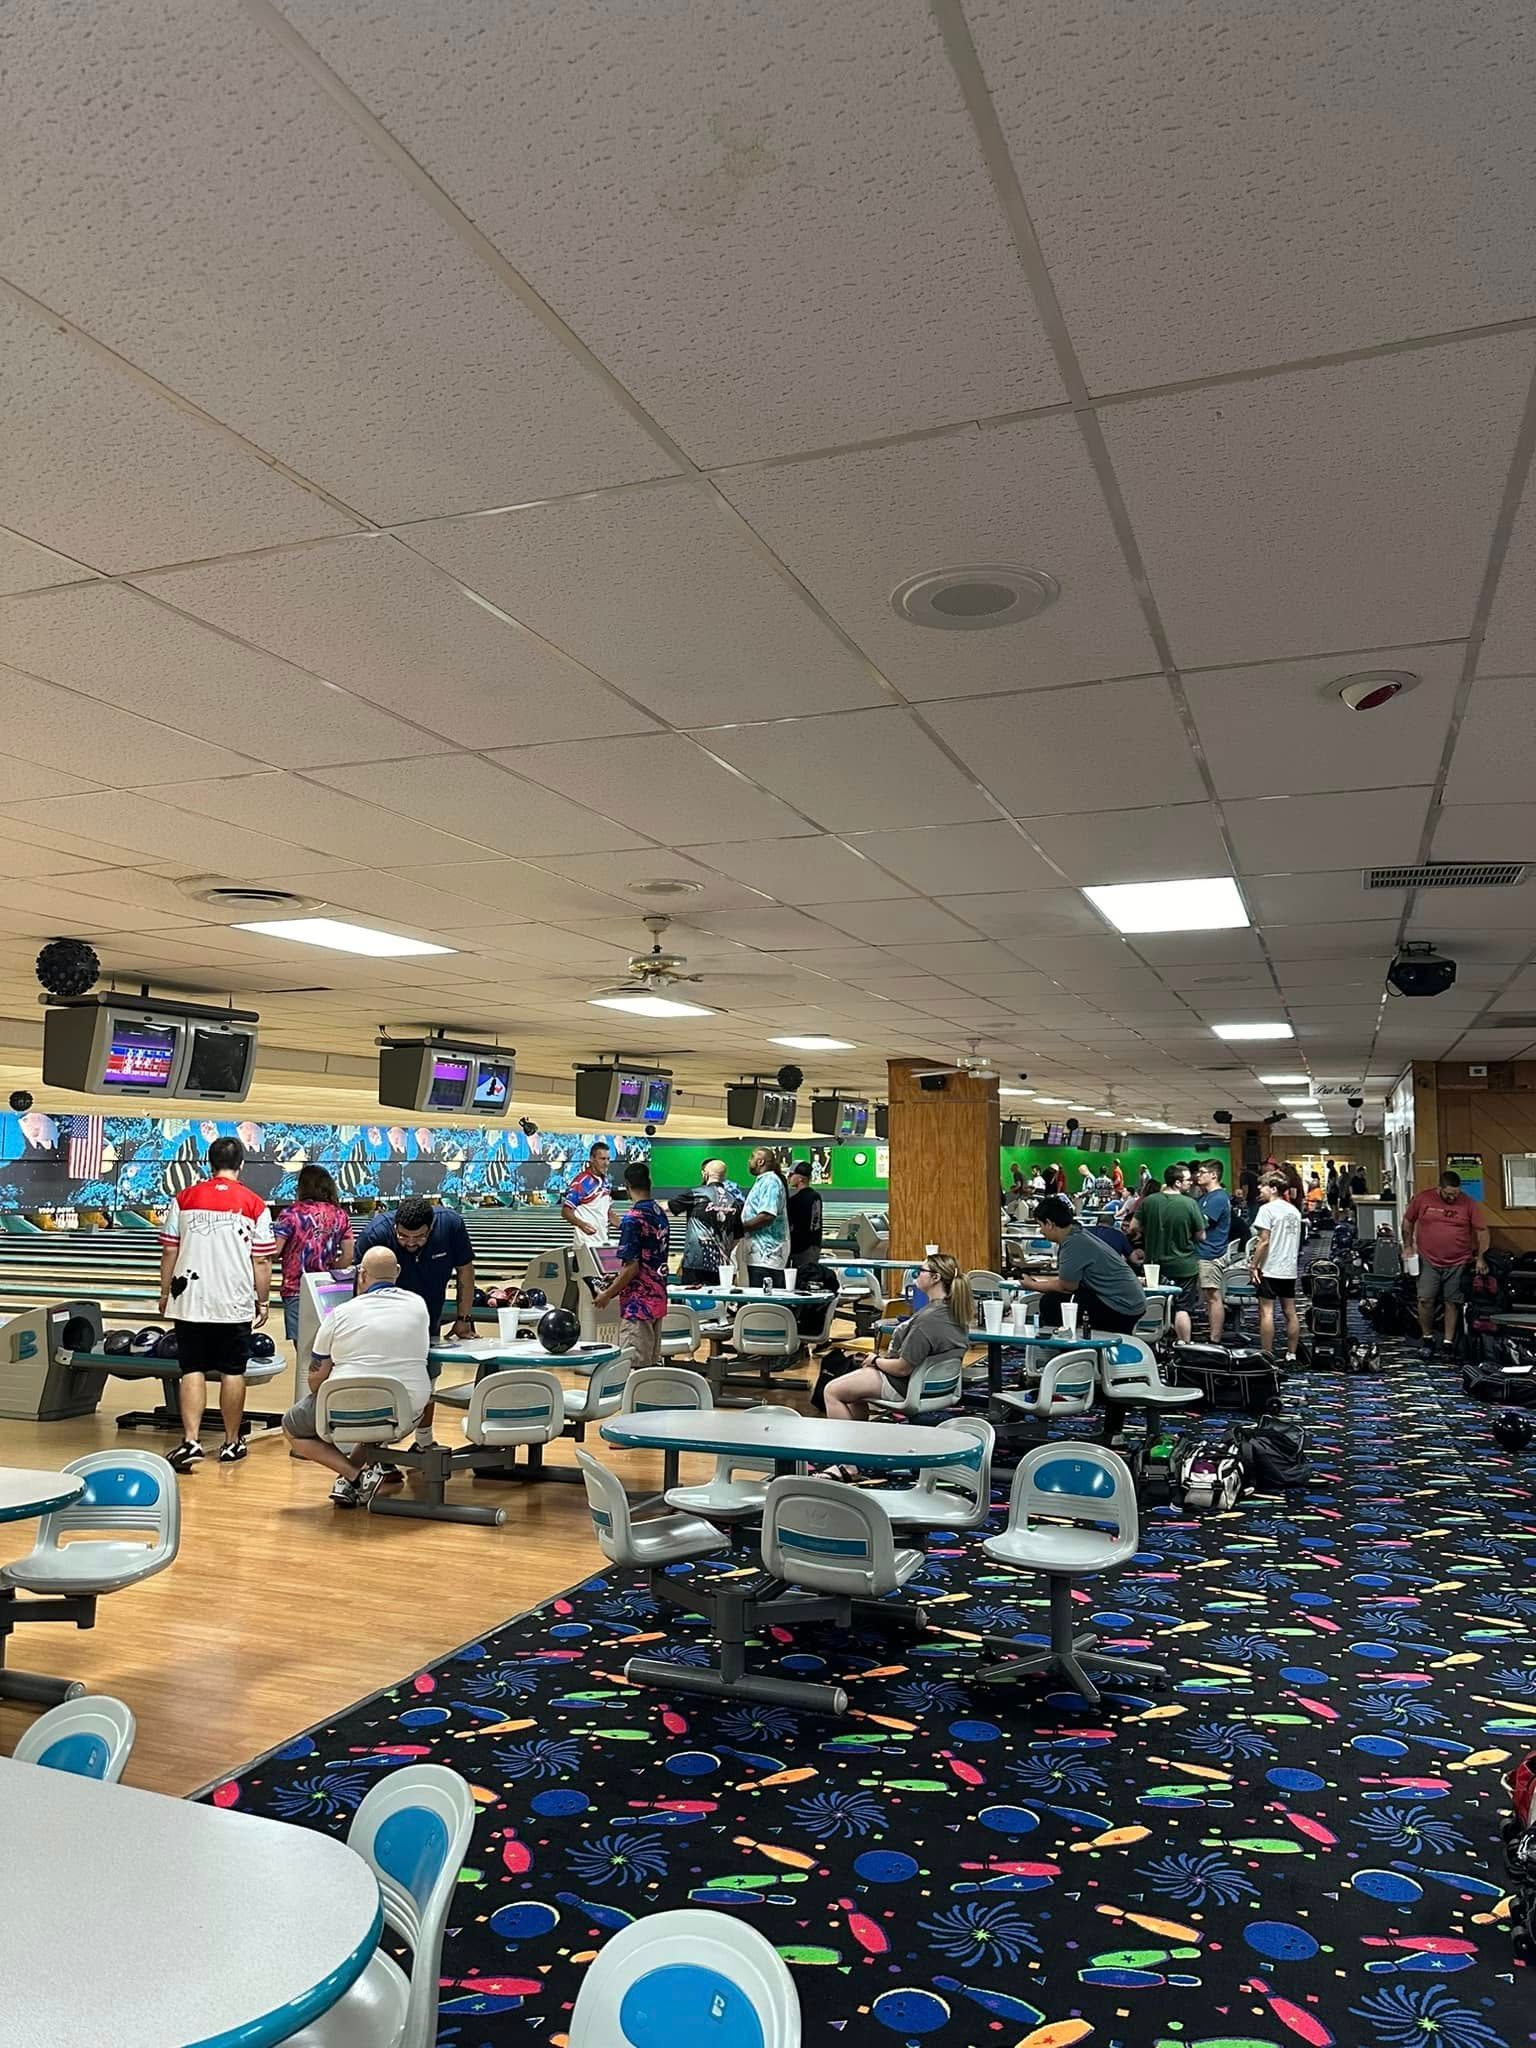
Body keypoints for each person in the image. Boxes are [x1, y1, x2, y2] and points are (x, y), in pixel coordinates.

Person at [282, 1246, 432, 1508]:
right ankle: (354, 1479)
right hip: (405, 1409)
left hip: (345, 1406)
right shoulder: (419, 1306)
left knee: (292, 1426)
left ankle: (355, 1476)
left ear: (361, 1275)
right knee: (375, 1415)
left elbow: (316, 1380)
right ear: (397, 1272)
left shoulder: (340, 1314)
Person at [158, 1135, 275, 1472]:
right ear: (241, 1165)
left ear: (209, 1163)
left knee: (191, 1368)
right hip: (234, 1299)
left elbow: (169, 1250)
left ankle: (191, 1440)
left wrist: (165, 1292)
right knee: (233, 1371)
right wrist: (263, 1300)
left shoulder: (184, 1198)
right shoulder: (255, 1204)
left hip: (189, 1299)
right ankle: (230, 1442)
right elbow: (263, 1261)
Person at [353, 1197, 475, 1449]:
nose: (410, 1242)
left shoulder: (450, 1225)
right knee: (382, 1383)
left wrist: (463, 1319)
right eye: (403, 1236)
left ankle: (423, 1442)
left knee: (427, 1381)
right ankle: (378, 1451)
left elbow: (465, 1270)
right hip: (382, 1323)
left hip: (427, 1318)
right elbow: (359, 1285)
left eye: (418, 1237)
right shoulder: (375, 1233)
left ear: (431, 1228)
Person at [823, 1254, 973, 1428]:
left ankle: (845, 1451)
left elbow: (902, 1368)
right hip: (935, 1386)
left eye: (921, 1271)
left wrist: (876, 1361)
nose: (917, 1274)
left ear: (935, 1278)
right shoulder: (957, 1313)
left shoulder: (927, 1321)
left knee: (832, 1391)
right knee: (853, 1392)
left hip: (905, 1386)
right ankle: (858, 1439)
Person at [1019, 1195, 1146, 1332]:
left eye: (1041, 1225)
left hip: (1122, 1306)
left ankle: (1064, 1348)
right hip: (1131, 1301)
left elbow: (1066, 1286)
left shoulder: (1073, 1243)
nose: (1041, 1231)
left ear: (1050, 1224)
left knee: (1051, 1303)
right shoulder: (1078, 1233)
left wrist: (1033, 1285)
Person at [1402, 1169, 1491, 1360]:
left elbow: (1482, 1230)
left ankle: (1448, 1343)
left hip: (1459, 1260)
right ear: (1439, 1188)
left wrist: (1481, 1256)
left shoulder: (1468, 1203)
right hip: (1428, 1258)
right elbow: (1408, 1221)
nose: (1452, 1197)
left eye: (1455, 1194)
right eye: (1449, 1194)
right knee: (1425, 1299)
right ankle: (1427, 1338)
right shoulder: (1423, 1199)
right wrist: (1408, 1246)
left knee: (1453, 1302)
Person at [592, 1160, 669, 1374]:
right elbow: (647, 1255)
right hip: (657, 1298)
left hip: (638, 1304)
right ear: (649, 1183)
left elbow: (631, 1268)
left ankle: (634, 1407)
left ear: (627, 1186)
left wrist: (607, 1294)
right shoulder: (659, 1212)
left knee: (633, 1368)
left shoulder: (633, 1219)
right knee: (651, 1366)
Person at [272, 1165, 354, 1344]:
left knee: (303, 1347)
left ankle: (305, 1373)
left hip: (296, 1288)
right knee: (328, 1344)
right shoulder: (340, 1215)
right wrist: (332, 1269)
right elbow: (348, 1256)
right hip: (326, 1287)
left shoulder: (290, 1214)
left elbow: (275, 1251)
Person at [1134, 1163, 1205, 1342]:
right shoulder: (1190, 1204)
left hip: (1154, 1266)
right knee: (1182, 1309)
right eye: (1188, 1180)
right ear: (1178, 1183)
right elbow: (1201, 1235)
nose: (1191, 1182)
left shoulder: (1149, 1201)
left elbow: (1134, 1227)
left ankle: (1150, 1343)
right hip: (1185, 1265)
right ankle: (1185, 1346)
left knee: (1155, 1304)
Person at [1249, 1173, 1303, 1362]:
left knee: (1267, 1312)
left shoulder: (1267, 1209)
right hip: (1289, 1268)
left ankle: (1267, 1354)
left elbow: (1264, 1241)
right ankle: (1291, 1354)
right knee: (1290, 1311)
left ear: (1273, 1188)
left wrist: (1253, 1265)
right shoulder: (1294, 1211)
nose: (1259, 1189)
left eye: (1262, 1186)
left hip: (1270, 1267)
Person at [668, 1157, 743, 1285]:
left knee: (693, 1300)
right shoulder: (734, 1201)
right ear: (724, 1177)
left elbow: (668, 1207)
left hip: (694, 1263)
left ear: (705, 1174)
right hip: (721, 1266)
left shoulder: (697, 1194)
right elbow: (737, 1237)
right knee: (717, 1302)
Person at [1194, 1158, 1232, 1344]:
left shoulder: (1217, 1197)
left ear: (1214, 1175)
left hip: (1210, 1253)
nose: (1198, 1176)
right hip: (1202, 1251)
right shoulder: (1204, 1197)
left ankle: (1215, 1338)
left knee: (1213, 1297)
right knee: (1208, 1298)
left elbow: (1201, 1223)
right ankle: (1211, 1334)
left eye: (1202, 1172)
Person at [741, 1146, 789, 1286]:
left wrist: (739, 1227)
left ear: (760, 1161)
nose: (749, 1161)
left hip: (767, 1255)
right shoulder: (765, 1180)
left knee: (764, 1304)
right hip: (761, 1255)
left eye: (752, 1157)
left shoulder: (770, 1181)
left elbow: (767, 1216)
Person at [561, 1141, 613, 1245]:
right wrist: (582, 1225)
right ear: (592, 1159)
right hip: (585, 1243)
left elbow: (606, 1212)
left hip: (602, 1240)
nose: (606, 1163)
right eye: (602, 1159)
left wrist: (622, 1224)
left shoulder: (606, 1181)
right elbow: (566, 1211)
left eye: (608, 1159)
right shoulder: (581, 1181)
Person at [786, 1160, 823, 1274]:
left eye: (791, 1175)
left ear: (800, 1178)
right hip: (814, 1245)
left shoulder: (795, 1200)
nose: (789, 1177)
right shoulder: (816, 1196)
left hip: (800, 1248)